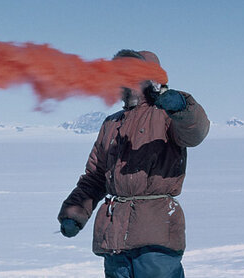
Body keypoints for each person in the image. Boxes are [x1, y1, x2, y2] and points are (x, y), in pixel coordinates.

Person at [57, 49, 210, 278]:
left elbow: (195, 132)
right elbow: (95, 177)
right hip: (114, 238)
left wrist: (182, 107)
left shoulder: (167, 116)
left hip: (156, 236)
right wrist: (74, 213)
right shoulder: (112, 124)